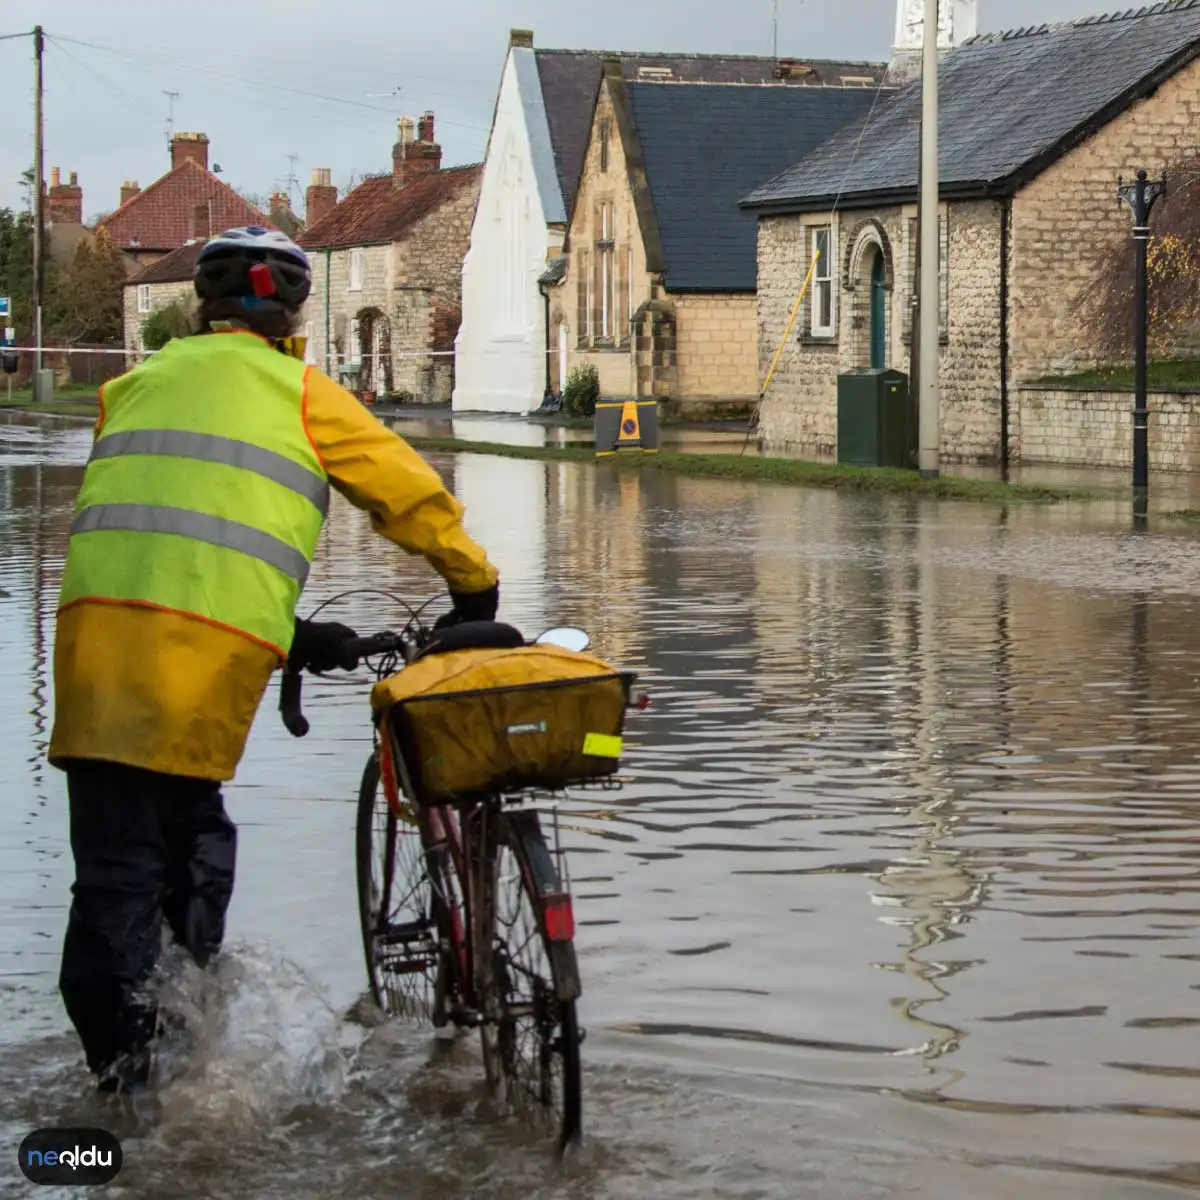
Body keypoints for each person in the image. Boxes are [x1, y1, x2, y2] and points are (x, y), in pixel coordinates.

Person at [49, 226, 500, 1093]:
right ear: (292, 313)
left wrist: (289, 634)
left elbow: (168, 536)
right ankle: (159, 1079)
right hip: (198, 664)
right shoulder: (301, 393)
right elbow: (408, 493)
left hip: (93, 652)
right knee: (175, 860)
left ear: (201, 309)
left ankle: (132, 1083)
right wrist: (474, 590)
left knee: (121, 863)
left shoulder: (128, 389)